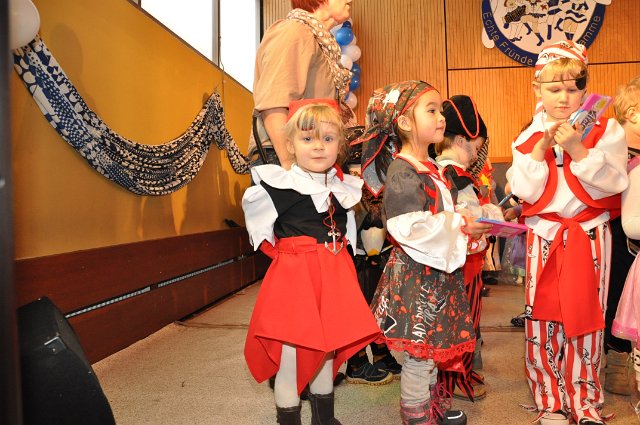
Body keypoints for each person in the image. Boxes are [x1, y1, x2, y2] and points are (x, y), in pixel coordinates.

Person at [356, 80, 492, 425]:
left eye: (440, 110)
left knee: (431, 350)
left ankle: (431, 406)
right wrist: (459, 224)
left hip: (435, 275)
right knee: (419, 354)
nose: (441, 117)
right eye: (431, 110)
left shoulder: (430, 166)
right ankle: (416, 414)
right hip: (417, 278)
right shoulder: (403, 169)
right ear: (404, 122)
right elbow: (407, 226)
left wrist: (467, 227)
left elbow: (441, 216)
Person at [509, 40, 628, 425]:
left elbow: (616, 183)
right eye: (554, 88)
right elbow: (524, 192)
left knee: (587, 317)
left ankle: (585, 402)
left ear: (585, 88)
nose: (563, 97)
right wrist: (540, 149)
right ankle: (550, 400)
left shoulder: (607, 130)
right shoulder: (526, 137)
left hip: (590, 234)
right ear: (537, 88)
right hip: (543, 235)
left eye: (573, 88)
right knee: (541, 320)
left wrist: (578, 149)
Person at [242, 100, 381, 425]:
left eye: (328, 138)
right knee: (290, 358)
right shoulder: (279, 186)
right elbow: (261, 235)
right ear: (290, 145)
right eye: (307, 138)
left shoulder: (344, 190)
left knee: (327, 353)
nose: (318, 146)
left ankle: (324, 418)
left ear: (339, 146)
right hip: (296, 283)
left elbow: (347, 237)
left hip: (333, 281)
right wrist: (293, 255)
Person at [434, 95, 504, 402]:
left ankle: (456, 374)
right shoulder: (457, 176)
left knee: (453, 320)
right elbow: (470, 216)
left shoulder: (437, 170)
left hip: (453, 260)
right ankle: (454, 379)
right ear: (462, 140)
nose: (477, 154)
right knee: (463, 322)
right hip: (465, 262)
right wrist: (494, 215)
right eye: (476, 147)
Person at [249, 0, 355, 169]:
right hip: (283, 156)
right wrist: (290, 167)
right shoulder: (294, 31)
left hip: (310, 156)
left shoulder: (321, 43)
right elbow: (274, 105)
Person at [603, 76, 640, 397]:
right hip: (615, 232)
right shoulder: (612, 147)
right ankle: (616, 360)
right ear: (631, 112)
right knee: (616, 296)